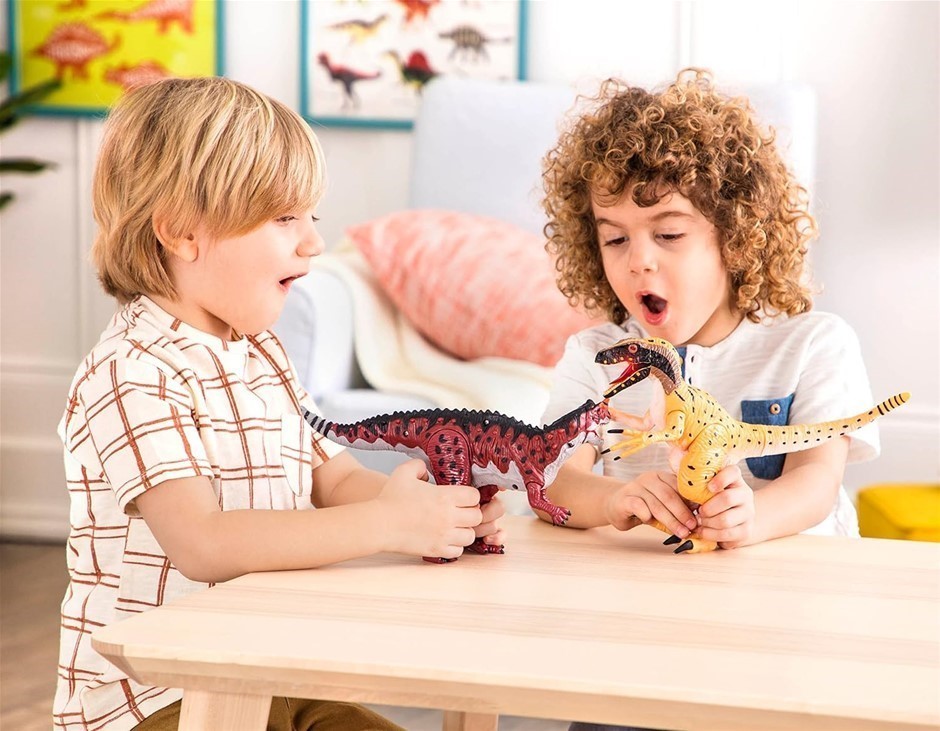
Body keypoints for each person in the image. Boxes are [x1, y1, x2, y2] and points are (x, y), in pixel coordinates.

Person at [53, 76, 505, 731]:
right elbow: (203, 543)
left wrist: (435, 510)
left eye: (311, 217)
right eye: (284, 218)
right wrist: (389, 526)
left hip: (274, 670)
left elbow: (335, 479)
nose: (314, 242)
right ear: (181, 232)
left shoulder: (261, 351)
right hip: (154, 698)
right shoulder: (132, 371)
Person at [538, 69, 879, 731]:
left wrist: (752, 515)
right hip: (641, 632)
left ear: (736, 235)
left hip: (787, 631)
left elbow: (816, 482)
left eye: (668, 234)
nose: (638, 261)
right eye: (615, 237)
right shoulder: (596, 356)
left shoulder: (812, 344)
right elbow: (554, 479)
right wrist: (614, 500)